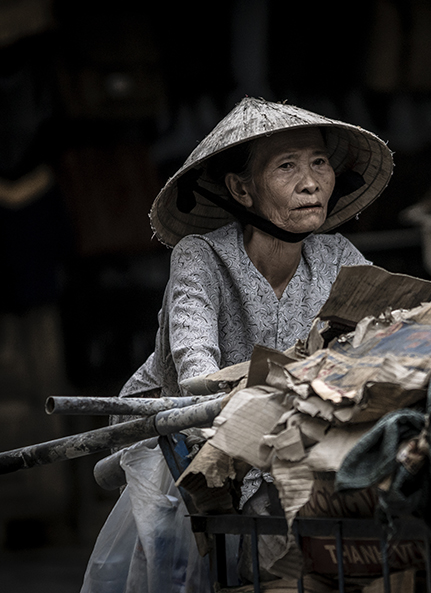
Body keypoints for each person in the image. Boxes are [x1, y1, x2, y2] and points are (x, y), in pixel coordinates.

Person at [81, 97, 394, 592]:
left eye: (318, 163)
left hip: (285, 443)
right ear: (241, 190)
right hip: (187, 445)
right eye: (287, 166)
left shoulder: (335, 255)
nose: (311, 182)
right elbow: (194, 365)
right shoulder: (201, 256)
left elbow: (387, 329)